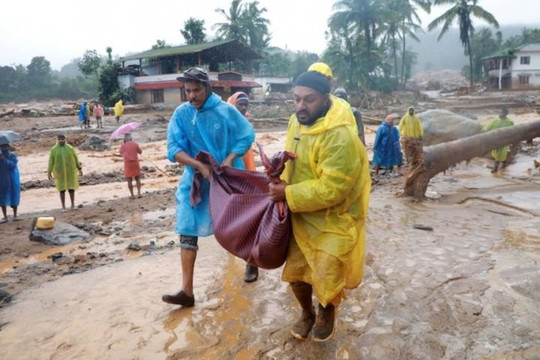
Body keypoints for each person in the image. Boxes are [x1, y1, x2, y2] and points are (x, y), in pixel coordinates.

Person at [268, 71, 371, 342]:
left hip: (334, 216)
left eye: (309, 100)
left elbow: (334, 188)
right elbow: (294, 157)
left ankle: (326, 311)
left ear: (326, 98)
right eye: (296, 99)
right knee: (297, 273)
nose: (301, 106)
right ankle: (306, 313)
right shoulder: (295, 122)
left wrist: (287, 193)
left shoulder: (340, 136)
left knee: (327, 272)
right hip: (299, 212)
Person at [162, 67, 255, 307]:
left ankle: (251, 259)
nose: (191, 96)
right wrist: (198, 166)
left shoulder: (226, 111)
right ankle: (187, 291)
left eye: (196, 90)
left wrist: (228, 159)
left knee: (237, 223)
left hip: (227, 177)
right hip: (196, 181)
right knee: (187, 226)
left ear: (208, 88)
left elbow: (246, 135)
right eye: (188, 91)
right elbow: (173, 148)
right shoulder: (181, 114)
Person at [226, 91, 259, 282]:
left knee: (249, 218)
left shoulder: (247, 123)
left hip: (248, 171)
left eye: (246, 104)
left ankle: (251, 262)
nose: (243, 107)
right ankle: (233, 256)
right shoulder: (225, 122)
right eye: (240, 103)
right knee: (231, 217)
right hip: (231, 172)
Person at [47, 134, 83, 211]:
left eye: (62, 139)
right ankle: (63, 206)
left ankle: (72, 205)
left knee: (71, 189)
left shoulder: (70, 148)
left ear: (65, 139)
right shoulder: (54, 150)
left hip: (70, 171)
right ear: (57, 140)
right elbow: (51, 161)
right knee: (62, 190)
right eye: (59, 139)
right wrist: (49, 172)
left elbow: (75, 158)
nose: (61, 140)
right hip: (60, 173)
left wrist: (79, 168)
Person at [483, 107, 514, 172]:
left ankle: (495, 168)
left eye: (502, 112)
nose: (500, 114)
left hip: (503, 140)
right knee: (496, 153)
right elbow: (487, 128)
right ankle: (504, 162)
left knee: (500, 153)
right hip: (495, 140)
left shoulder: (510, 122)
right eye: (499, 112)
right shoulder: (495, 120)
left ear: (506, 114)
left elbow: (511, 132)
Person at [0, 144, 20, 223]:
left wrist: (4, 159)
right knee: (2, 196)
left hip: (12, 178)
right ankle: (5, 216)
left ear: (8, 147)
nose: (4, 148)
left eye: (5, 146)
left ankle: (15, 215)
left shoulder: (12, 155)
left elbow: (12, 165)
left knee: (14, 194)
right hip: (2, 178)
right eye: (2, 147)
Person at [119, 133, 142, 199]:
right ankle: (139, 193)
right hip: (135, 162)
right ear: (131, 138)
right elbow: (140, 152)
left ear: (125, 139)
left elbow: (121, 152)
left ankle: (132, 195)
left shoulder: (123, 145)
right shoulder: (135, 144)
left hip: (127, 164)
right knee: (137, 178)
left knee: (129, 180)